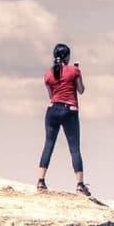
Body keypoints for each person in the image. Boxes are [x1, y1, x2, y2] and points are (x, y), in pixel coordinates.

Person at [36, 43, 91, 196]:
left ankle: (41, 181)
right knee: (74, 148)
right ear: (67, 56)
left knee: (48, 145)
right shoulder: (74, 71)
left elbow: (51, 96)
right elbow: (81, 90)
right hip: (69, 111)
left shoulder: (48, 75)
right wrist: (78, 72)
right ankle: (80, 185)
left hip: (53, 109)